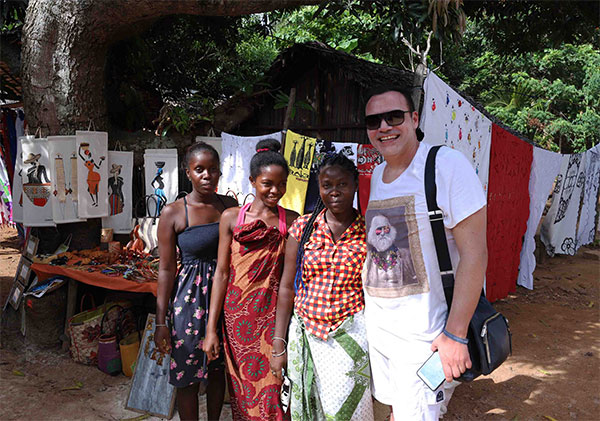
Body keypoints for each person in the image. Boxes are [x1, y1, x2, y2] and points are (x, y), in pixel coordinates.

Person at [363, 86, 488, 420]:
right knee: (400, 412)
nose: (384, 127)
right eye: (374, 121)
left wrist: (455, 334)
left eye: (394, 117)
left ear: (414, 118)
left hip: (426, 338)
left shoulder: (445, 166)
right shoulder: (377, 174)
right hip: (382, 332)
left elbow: (475, 255)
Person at [270, 153, 374, 421]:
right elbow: (286, 288)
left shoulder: (369, 230)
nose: (335, 192)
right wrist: (278, 345)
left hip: (349, 338)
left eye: (342, 185)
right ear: (319, 187)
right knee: (305, 407)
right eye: (327, 185)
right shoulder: (304, 228)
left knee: (346, 412)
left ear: (354, 186)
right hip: (305, 336)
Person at [203, 139, 299, 421]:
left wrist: (280, 338)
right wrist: (212, 329)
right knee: (242, 393)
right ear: (252, 181)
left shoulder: (291, 221)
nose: (275, 191)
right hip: (236, 321)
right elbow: (221, 273)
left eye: (281, 185)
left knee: (273, 391)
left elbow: (288, 282)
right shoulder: (231, 218)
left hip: (272, 319)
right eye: (267, 183)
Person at [154, 142, 237, 421]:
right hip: (188, 303)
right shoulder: (174, 213)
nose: (207, 175)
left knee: (217, 370)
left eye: (213, 169)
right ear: (187, 172)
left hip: (225, 296)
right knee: (186, 375)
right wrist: (161, 322)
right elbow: (166, 269)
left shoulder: (229, 205)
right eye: (199, 169)